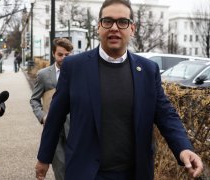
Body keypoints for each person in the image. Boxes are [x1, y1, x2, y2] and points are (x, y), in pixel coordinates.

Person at [35, 0, 203, 180]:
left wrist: (183, 148)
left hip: (134, 173)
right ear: (98, 27)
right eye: (107, 21)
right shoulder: (74, 67)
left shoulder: (148, 70)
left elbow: (165, 114)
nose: (114, 27)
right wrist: (44, 158)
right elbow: (56, 116)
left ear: (132, 28)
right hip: (86, 173)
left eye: (122, 22)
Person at [30, 38, 73, 180]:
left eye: (67, 55)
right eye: (60, 55)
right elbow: (34, 99)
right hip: (56, 129)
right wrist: (42, 116)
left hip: (76, 129)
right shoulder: (43, 75)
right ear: (54, 54)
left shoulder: (78, 73)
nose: (64, 58)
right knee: (61, 171)